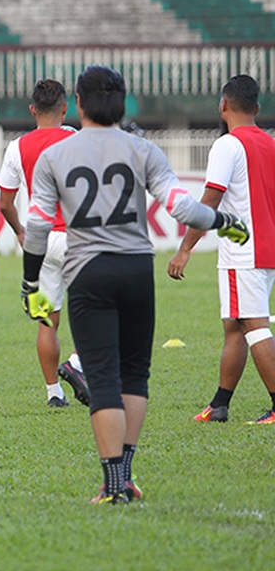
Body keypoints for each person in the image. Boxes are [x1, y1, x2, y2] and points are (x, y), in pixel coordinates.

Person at [22, 65, 249, 504]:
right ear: (122, 103)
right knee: (135, 374)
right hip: (136, 270)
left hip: (87, 271)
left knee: (102, 376)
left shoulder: (56, 155)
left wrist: (31, 283)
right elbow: (182, 208)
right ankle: (125, 475)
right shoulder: (142, 149)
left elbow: (36, 227)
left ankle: (113, 486)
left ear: (79, 104)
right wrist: (224, 221)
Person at [168, 74, 275, 425]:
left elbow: (210, 200)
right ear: (257, 108)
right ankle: (220, 405)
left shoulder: (227, 145)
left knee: (254, 325)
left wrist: (185, 248)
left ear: (223, 105)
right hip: (266, 249)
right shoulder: (269, 143)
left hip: (243, 252)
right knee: (235, 325)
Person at [0, 79, 89, 408]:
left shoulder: (17, 147)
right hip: (76, 237)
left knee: (48, 318)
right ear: (65, 108)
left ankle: (54, 393)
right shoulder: (77, 140)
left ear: (32, 110)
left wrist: (21, 233)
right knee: (97, 310)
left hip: (41, 240)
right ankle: (76, 364)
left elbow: (5, 203)